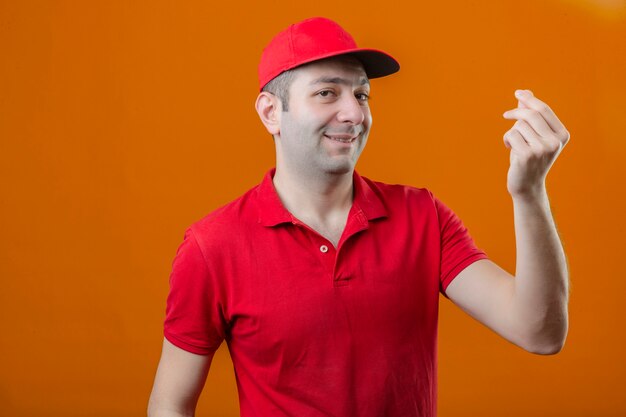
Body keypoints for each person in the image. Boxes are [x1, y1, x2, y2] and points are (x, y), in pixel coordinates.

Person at [148, 17, 570, 417]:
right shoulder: (213, 245)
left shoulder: (423, 217)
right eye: (327, 93)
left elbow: (540, 332)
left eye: (361, 94)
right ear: (270, 112)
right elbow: (170, 405)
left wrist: (529, 193)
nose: (355, 114)